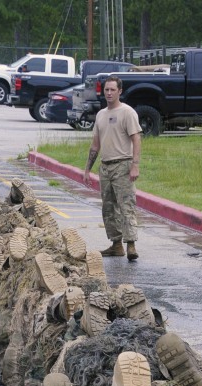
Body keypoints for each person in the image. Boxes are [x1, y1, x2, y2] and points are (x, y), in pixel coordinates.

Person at [83, 76, 142, 262]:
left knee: (126, 205)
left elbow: (136, 139)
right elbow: (95, 146)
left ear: (119, 91)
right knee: (108, 208)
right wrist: (87, 170)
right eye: (106, 90)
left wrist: (135, 165)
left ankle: (130, 244)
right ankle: (116, 245)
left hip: (123, 165)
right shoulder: (101, 115)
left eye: (112, 90)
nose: (109, 93)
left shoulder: (127, 112)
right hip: (105, 167)